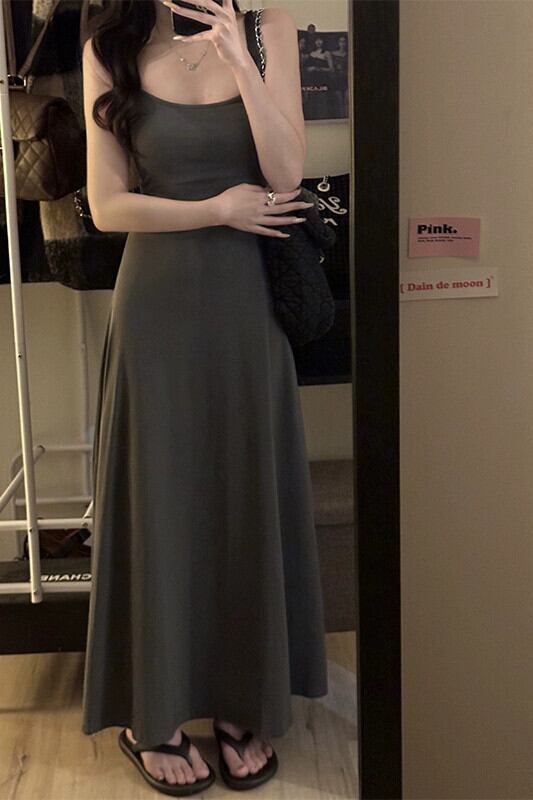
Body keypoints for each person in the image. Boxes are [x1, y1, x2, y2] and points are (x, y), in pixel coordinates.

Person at [80, 0, 329, 794]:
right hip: (155, 303)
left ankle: (237, 697)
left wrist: (241, 62)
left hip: (245, 301)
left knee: (239, 493)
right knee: (161, 501)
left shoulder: (265, 28)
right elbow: (106, 206)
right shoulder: (109, 46)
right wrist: (215, 208)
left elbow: (286, 175)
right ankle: (148, 715)